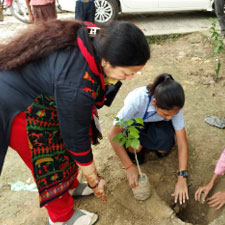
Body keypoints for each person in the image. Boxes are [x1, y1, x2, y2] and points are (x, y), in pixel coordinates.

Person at [0, 20, 150, 225]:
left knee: (62, 150)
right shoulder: (78, 84)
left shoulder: (95, 37)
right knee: (50, 161)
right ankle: (61, 218)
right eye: (126, 73)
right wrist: (93, 178)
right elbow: (76, 138)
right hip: (19, 107)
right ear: (106, 61)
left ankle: (71, 185)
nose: (131, 78)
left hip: (45, 94)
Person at [108, 74, 189, 205]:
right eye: (167, 114)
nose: (170, 118)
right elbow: (113, 134)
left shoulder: (174, 106)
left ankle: (147, 145)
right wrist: (129, 167)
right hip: (136, 124)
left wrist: (182, 177)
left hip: (156, 122)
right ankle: (138, 151)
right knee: (135, 148)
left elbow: (181, 142)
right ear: (154, 102)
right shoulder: (137, 101)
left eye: (172, 115)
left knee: (164, 149)